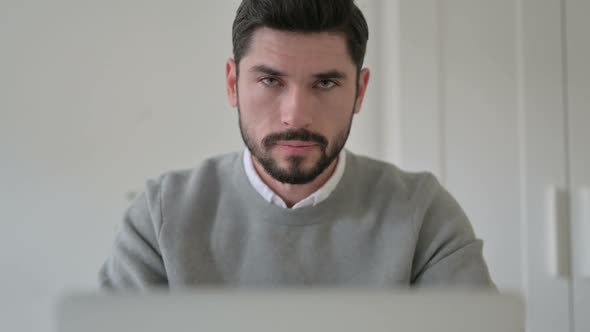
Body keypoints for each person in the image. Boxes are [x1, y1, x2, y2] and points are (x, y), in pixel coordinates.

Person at [99, 0, 495, 289]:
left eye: (325, 83)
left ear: (360, 91)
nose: (295, 115)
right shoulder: (162, 215)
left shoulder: (423, 214)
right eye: (270, 81)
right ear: (233, 84)